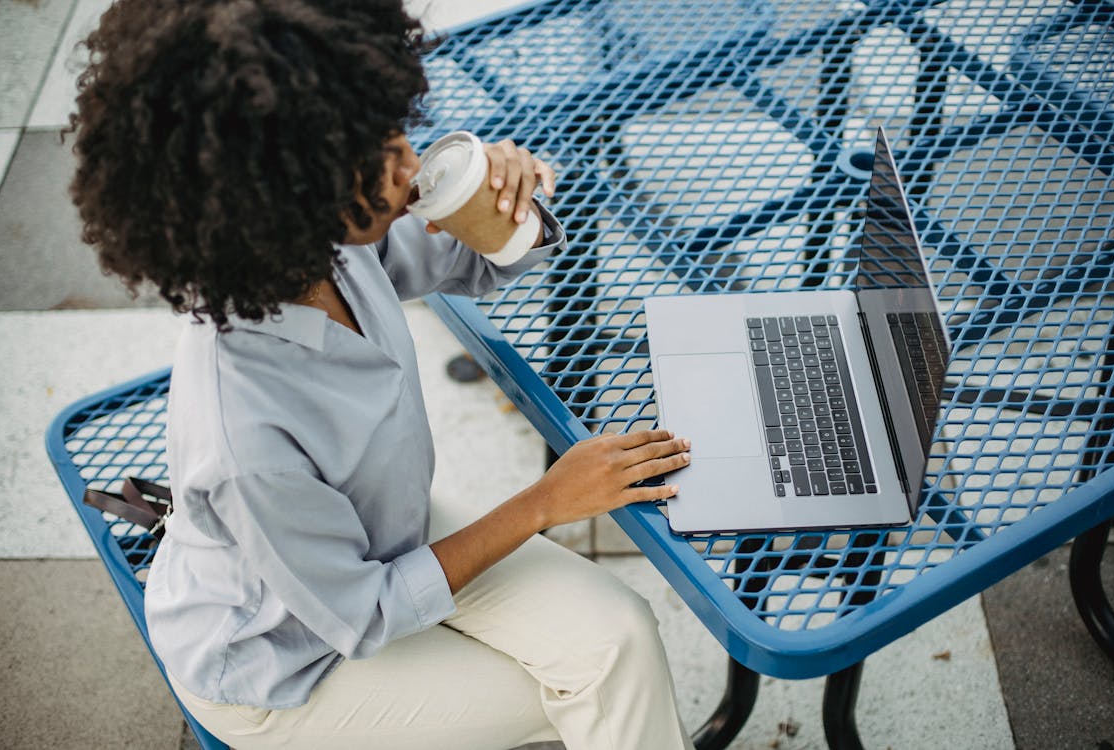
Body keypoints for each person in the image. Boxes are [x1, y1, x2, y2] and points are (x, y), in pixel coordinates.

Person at [68, 1, 696, 748]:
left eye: (387, 130)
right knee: (597, 681)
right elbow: (363, 611)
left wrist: (507, 205)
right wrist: (545, 502)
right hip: (284, 669)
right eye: (372, 161)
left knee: (621, 633)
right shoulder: (244, 438)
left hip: (382, 531)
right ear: (284, 203)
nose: (406, 160)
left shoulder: (318, 250)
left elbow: (451, 258)